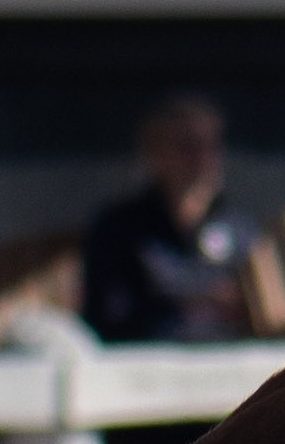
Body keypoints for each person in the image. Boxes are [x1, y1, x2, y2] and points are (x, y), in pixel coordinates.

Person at [77, 94, 263, 345]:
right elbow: (108, 317)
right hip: (147, 367)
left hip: (229, 366)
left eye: (211, 146)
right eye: (187, 146)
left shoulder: (241, 230)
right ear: (154, 155)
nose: (202, 159)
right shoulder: (120, 230)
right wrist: (191, 305)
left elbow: (265, 310)